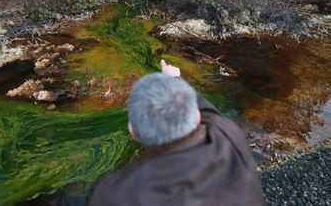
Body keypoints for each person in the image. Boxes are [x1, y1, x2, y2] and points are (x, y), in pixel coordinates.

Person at [89, 60, 264, 206]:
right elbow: (206, 111)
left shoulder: (115, 194)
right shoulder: (229, 135)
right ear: (197, 117)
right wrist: (175, 80)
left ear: (133, 131)